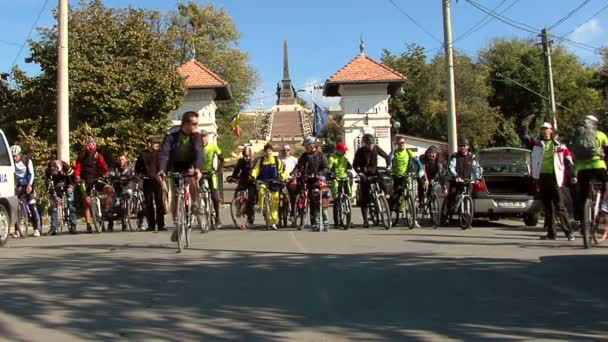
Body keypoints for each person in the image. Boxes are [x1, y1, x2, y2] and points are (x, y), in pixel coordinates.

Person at [521, 117, 576, 240]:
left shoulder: (559, 145)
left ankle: (569, 232)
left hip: (555, 178)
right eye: (542, 129)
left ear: (552, 131)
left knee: (560, 206)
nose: (544, 131)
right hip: (542, 177)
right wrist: (525, 126)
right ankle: (552, 234)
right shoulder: (536, 144)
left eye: (547, 129)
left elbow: (568, 161)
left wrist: (572, 175)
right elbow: (525, 138)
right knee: (548, 207)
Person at [158, 111, 204, 242]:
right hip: (175, 166)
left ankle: (195, 203)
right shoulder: (172, 136)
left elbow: (199, 152)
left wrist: (198, 169)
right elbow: (164, 153)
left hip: (190, 165)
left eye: (197, 123)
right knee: (177, 195)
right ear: (185, 124)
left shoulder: (197, 136)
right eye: (194, 124)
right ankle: (177, 224)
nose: (196, 126)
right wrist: (161, 170)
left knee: (192, 177)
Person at [571, 114, 608, 227]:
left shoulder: (577, 136)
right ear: (595, 124)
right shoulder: (601, 135)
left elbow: (572, 150)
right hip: (598, 166)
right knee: (607, 185)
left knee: (583, 195)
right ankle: (604, 206)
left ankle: (583, 224)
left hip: (582, 169)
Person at [74, 137, 111, 232]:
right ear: (86, 147)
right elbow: (77, 168)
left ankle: (105, 207)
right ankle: (88, 225)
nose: (90, 150)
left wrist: (106, 173)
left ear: (95, 147)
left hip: (96, 179)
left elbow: (104, 166)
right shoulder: (81, 156)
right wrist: (77, 177)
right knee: (86, 202)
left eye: (92, 146)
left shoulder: (98, 155)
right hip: (84, 181)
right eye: (89, 147)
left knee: (109, 189)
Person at [441, 137, 482, 226]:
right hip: (456, 181)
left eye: (464, 145)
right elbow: (451, 167)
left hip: (468, 182)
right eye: (461, 146)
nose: (462, 147)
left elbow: (477, 168)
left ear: (467, 147)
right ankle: (446, 216)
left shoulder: (472, 157)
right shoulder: (455, 156)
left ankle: (466, 221)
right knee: (451, 199)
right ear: (458, 147)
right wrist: (455, 176)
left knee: (467, 201)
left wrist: (477, 177)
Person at [353, 133, 390, 228]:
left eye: (372, 143)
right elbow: (355, 164)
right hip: (364, 174)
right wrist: (359, 173)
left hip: (374, 172)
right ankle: (365, 220)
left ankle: (385, 196)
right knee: (364, 199)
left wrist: (388, 166)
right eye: (368, 143)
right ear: (364, 143)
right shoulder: (360, 151)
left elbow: (386, 156)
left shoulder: (376, 149)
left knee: (382, 181)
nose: (370, 145)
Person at [295, 136, 329, 230]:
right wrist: (294, 172)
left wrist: (319, 174)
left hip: (317, 181)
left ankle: (316, 222)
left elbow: (326, 168)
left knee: (315, 201)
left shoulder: (321, 155)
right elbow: (299, 166)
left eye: (307, 146)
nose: (306, 149)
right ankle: (298, 213)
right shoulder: (304, 156)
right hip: (306, 179)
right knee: (305, 195)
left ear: (313, 145)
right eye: (305, 147)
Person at [251, 143, 287, 230]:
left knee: (275, 201)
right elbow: (256, 170)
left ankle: (273, 222)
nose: (268, 152)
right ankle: (262, 207)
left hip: (275, 182)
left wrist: (282, 177)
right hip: (264, 181)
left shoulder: (277, 160)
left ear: (272, 151)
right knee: (261, 191)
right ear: (264, 151)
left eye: (270, 151)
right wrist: (253, 175)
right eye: (267, 151)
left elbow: (283, 171)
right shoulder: (261, 161)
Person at [10, 145, 42, 237]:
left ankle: (36, 229)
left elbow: (32, 174)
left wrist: (29, 185)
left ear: (20, 154)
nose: (14, 158)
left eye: (16, 156)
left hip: (28, 184)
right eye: (13, 156)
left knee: (31, 205)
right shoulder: (12, 163)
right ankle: (17, 230)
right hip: (18, 185)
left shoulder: (27, 160)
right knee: (17, 207)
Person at [135, 136, 165, 231]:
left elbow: (162, 165)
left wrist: (162, 173)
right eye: (155, 143)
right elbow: (137, 167)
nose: (157, 145)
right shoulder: (142, 154)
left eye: (157, 143)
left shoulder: (159, 153)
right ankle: (151, 224)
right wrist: (139, 175)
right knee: (149, 203)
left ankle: (161, 225)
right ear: (149, 144)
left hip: (157, 181)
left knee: (159, 202)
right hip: (147, 181)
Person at [45, 159, 77, 235]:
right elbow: (49, 184)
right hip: (57, 185)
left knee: (71, 204)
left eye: (55, 171)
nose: (54, 173)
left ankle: (73, 225)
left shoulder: (65, 166)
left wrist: (71, 186)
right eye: (52, 172)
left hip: (68, 183)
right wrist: (54, 194)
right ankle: (53, 228)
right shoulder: (48, 171)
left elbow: (73, 177)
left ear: (57, 168)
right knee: (54, 206)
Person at [227, 146, 256, 228]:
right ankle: (238, 207)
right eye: (244, 156)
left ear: (250, 155)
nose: (246, 158)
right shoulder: (240, 161)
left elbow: (257, 171)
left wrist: (254, 177)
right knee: (237, 194)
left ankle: (250, 216)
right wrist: (232, 177)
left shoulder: (254, 161)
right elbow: (236, 170)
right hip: (243, 180)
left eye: (248, 156)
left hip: (252, 181)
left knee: (251, 198)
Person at [201, 131, 224, 228]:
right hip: (200, 173)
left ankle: (217, 217)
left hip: (211, 173)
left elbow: (221, 158)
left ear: (207, 137)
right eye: (201, 137)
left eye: (204, 137)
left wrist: (218, 170)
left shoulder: (213, 146)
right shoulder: (196, 147)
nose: (203, 139)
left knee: (214, 196)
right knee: (197, 192)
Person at [327, 141, 352, 228]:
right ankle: (337, 222)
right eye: (342, 150)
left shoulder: (345, 157)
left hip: (345, 178)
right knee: (337, 200)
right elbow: (328, 169)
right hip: (336, 179)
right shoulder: (332, 158)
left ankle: (348, 216)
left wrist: (349, 171)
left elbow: (349, 166)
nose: (344, 152)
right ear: (337, 150)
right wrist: (332, 175)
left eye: (344, 150)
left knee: (347, 195)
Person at [109, 153, 136, 231]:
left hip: (127, 187)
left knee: (129, 194)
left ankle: (131, 209)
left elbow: (133, 174)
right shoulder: (115, 167)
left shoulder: (130, 166)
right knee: (112, 204)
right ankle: (110, 224)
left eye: (123, 159)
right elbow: (111, 173)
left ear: (126, 159)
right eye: (120, 159)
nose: (121, 161)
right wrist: (111, 175)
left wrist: (130, 177)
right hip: (118, 188)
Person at [280, 144, 298, 220]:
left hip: (291, 180)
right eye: (284, 150)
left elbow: (298, 168)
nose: (285, 152)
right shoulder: (279, 159)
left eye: (287, 150)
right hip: (282, 180)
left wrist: (294, 175)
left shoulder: (294, 159)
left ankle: (292, 214)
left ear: (290, 151)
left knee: (293, 195)